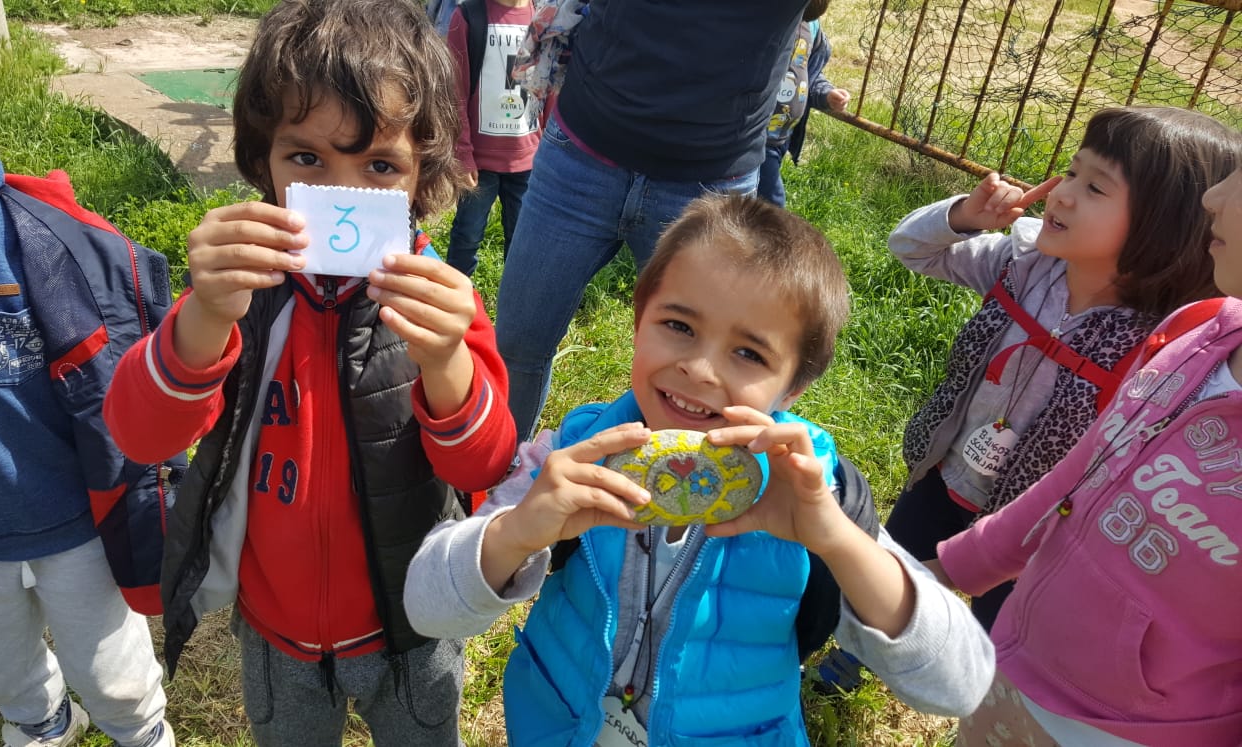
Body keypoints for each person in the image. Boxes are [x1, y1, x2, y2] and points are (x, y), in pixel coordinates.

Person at [405, 195, 995, 745]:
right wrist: (518, 531)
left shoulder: (813, 489)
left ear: (794, 386)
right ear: (639, 321)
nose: (700, 368)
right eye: (679, 326)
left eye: (749, 353)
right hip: (557, 722)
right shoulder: (577, 453)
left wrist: (839, 541)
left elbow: (959, 686)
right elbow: (427, 608)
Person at [102, 1, 516, 745]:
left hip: (410, 625)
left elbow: (482, 465)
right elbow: (139, 434)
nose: (343, 192)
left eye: (380, 166)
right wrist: (205, 315)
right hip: (276, 633)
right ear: (262, 158)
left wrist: (445, 359)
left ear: (422, 174)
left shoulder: (438, 304)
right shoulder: (240, 295)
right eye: (306, 159)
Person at [0, 2, 177, 746]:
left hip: (74, 522)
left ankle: (140, 730)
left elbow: (129, 369)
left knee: (115, 668)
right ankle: (40, 715)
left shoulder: (44, 242)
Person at [882, 106, 1242, 630]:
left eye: (1095, 188)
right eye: (1072, 172)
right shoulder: (1022, 264)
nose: (1063, 194)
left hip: (1034, 537)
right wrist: (962, 216)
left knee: (994, 639)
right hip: (944, 475)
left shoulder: (1164, 342)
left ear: (1163, 225)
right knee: (892, 580)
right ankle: (851, 658)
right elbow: (910, 248)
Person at [930, 160, 1242, 747]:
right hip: (1019, 661)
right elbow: (1085, 471)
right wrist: (954, 567)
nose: (1213, 198)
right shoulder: (1198, 331)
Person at [494, 0, 826, 444]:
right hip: (583, 147)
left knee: (708, 372)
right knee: (518, 344)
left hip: (713, 173)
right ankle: (507, 474)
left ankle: (683, 486)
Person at [444, 0, 540, 277]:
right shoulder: (467, 16)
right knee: (467, 236)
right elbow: (455, 92)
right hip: (480, 161)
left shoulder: (543, 17)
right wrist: (463, 153)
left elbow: (550, 89)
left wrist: (547, 150)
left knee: (523, 242)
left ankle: (517, 300)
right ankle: (455, 296)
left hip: (529, 160)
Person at [759, 0, 850, 208]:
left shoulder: (811, 26)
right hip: (757, 135)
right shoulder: (767, 20)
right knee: (772, 205)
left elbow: (808, 75)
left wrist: (826, 94)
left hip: (782, 135)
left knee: (758, 200)